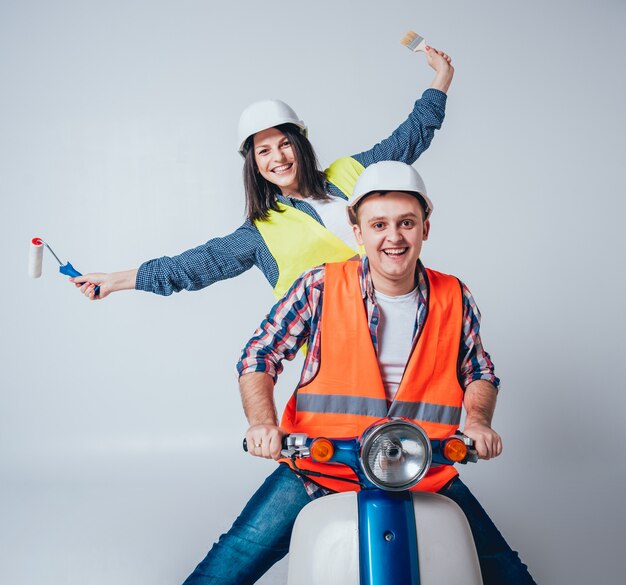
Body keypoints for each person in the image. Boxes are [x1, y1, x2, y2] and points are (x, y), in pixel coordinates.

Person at [183, 162, 536, 584]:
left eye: (406, 223)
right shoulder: (320, 286)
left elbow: (478, 369)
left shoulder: (454, 295)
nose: (393, 237)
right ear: (358, 233)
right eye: (379, 224)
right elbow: (260, 356)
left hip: (423, 470)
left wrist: (478, 423)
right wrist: (262, 423)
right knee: (232, 561)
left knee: (508, 574)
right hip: (322, 465)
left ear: (425, 228)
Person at [71, 47, 454, 302]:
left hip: (406, 318)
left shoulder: (353, 171)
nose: (278, 158)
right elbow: (191, 267)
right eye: (263, 151)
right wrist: (116, 281)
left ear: (300, 143)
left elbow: (411, 136)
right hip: (337, 354)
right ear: (253, 163)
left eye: (284, 144)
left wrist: (441, 78)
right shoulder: (260, 234)